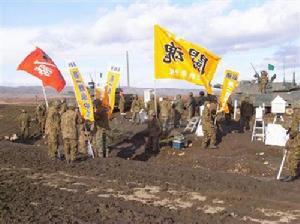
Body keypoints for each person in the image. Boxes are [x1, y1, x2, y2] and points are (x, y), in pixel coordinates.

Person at [281, 101, 300, 182]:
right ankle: (293, 174)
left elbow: (295, 127)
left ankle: (292, 175)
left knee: (293, 157)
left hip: (296, 139)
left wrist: (292, 133)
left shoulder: (297, 113)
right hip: (296, 138)